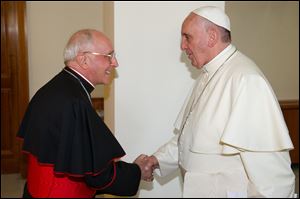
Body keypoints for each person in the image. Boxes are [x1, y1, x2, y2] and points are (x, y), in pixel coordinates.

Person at [141, 6, 296, 198]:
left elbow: (272, 176)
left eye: (187, 37)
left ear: (212, 36)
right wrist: (156, 160)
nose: (182, 46)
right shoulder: (208, 75)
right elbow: (190, 139)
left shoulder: (246, 80)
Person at [17, 29, 151, 198]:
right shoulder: (75, 101)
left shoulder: (54, 88)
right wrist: (137, 171)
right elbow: (98, 174)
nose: (115, 63)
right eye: (109, 56)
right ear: (84, 60)